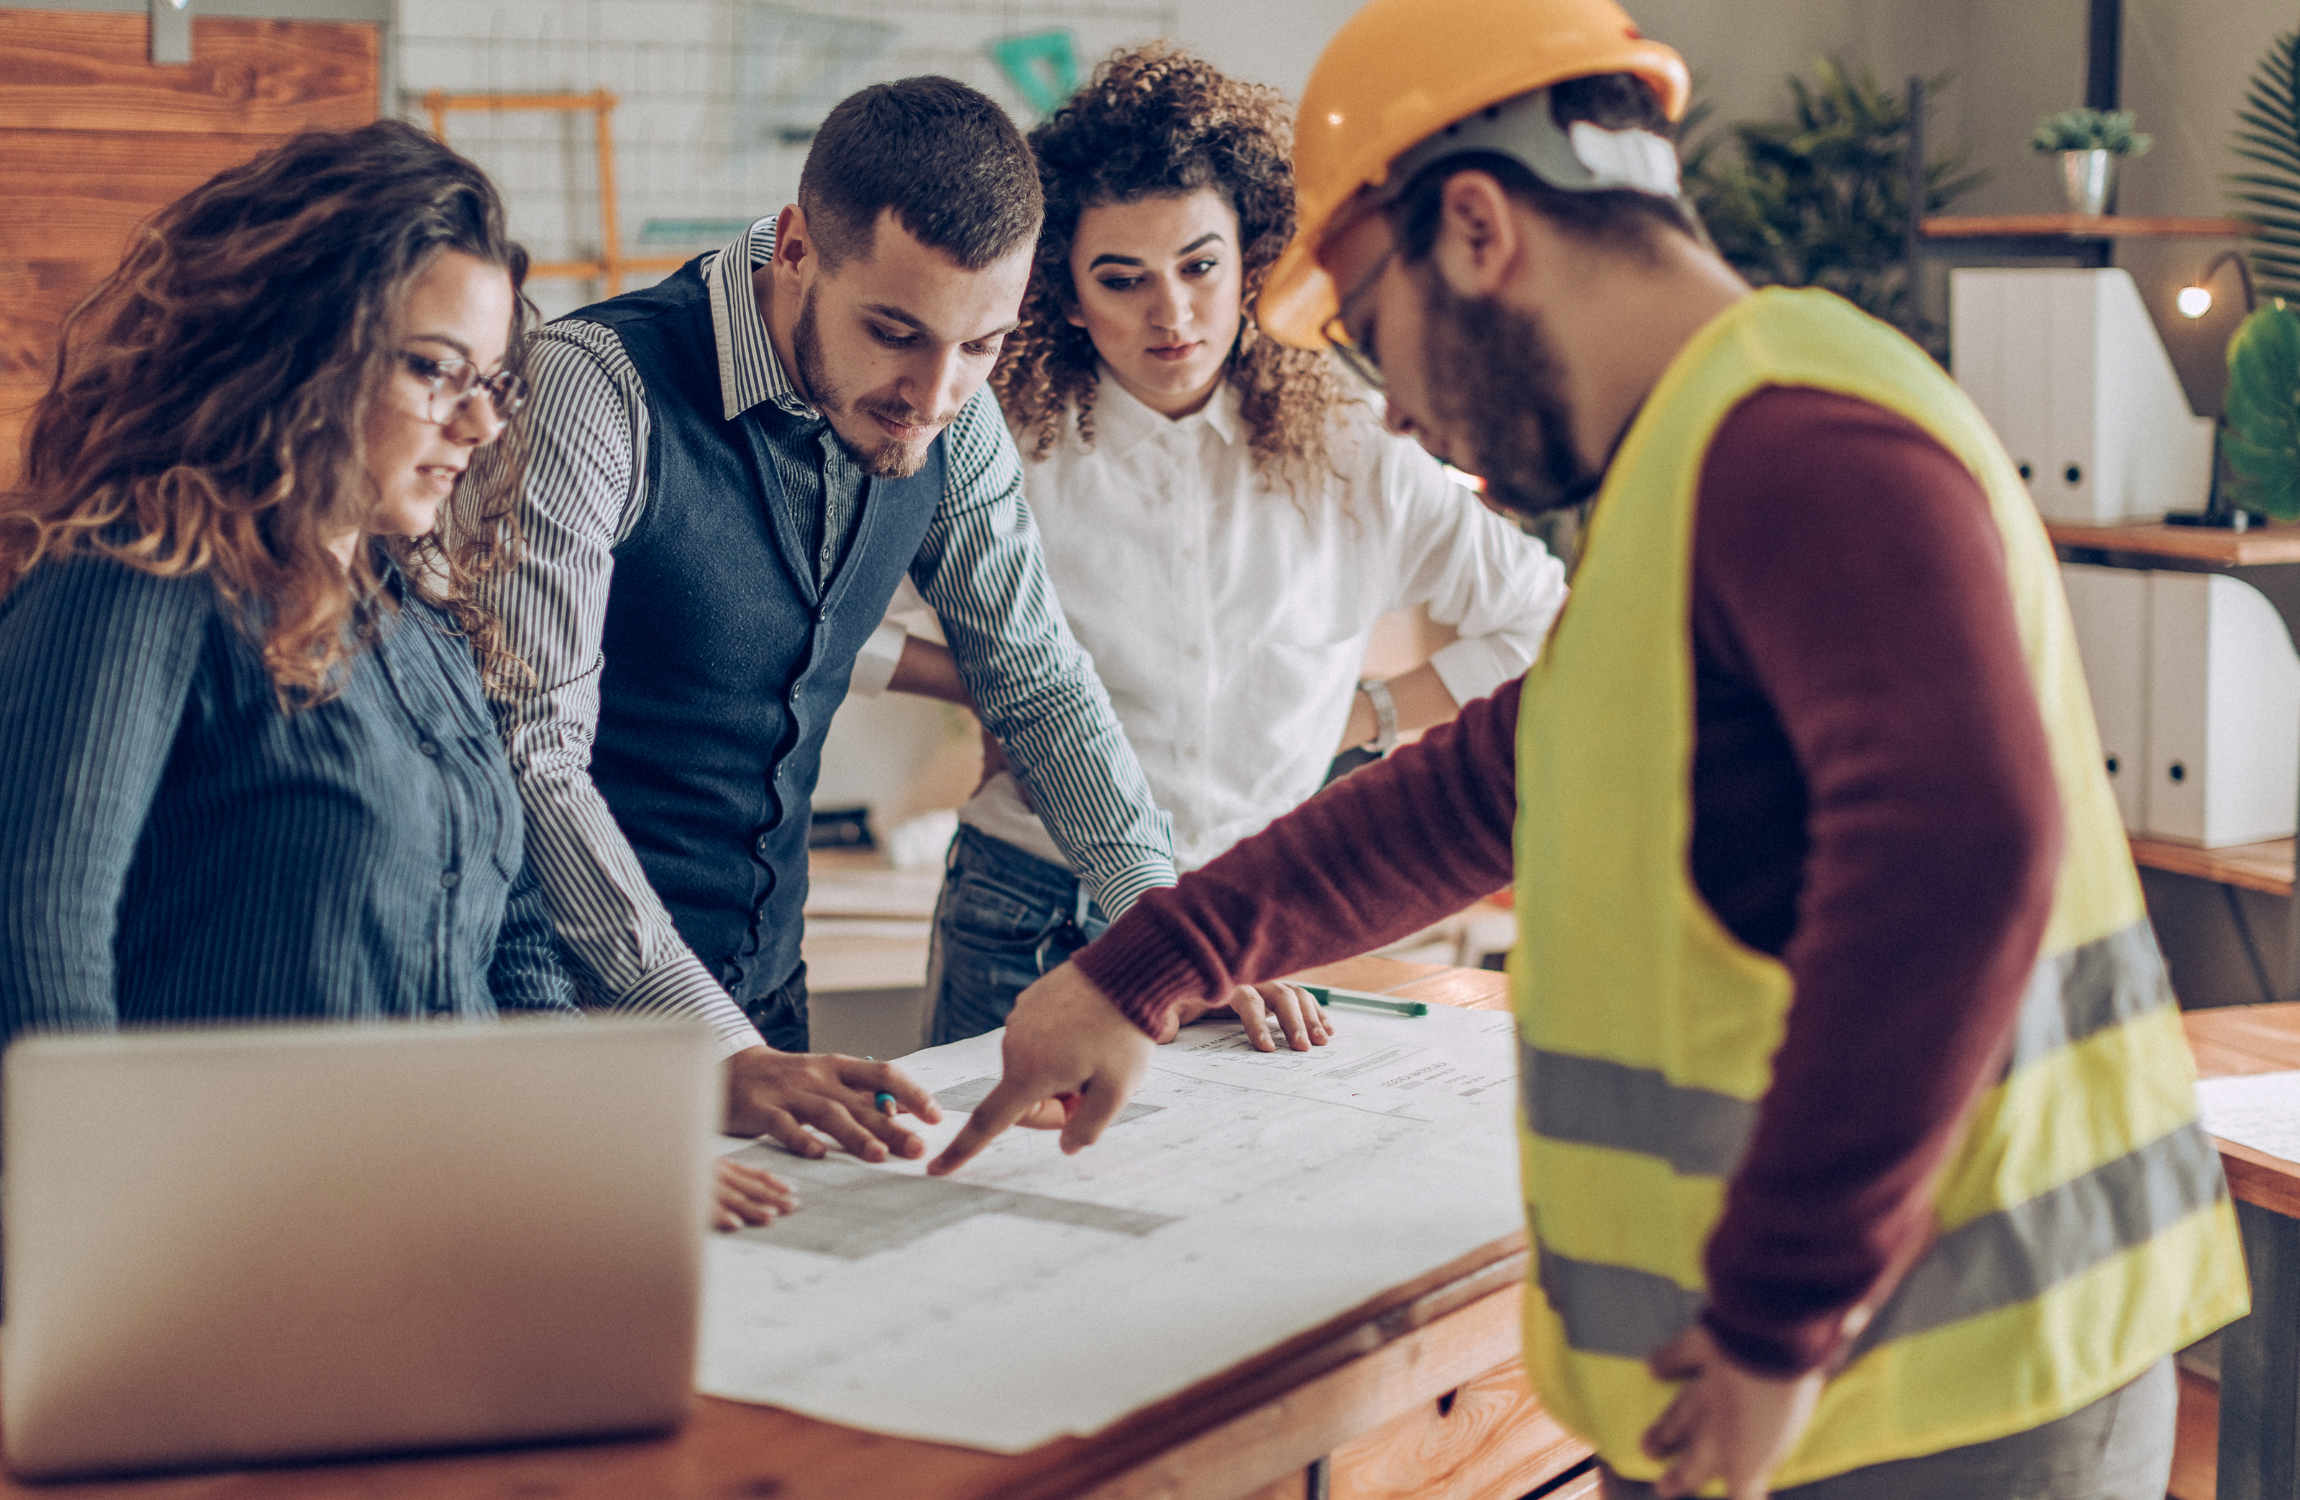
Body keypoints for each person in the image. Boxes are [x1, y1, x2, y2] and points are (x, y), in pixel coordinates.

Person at [927, 1, 2250, 1496]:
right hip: (1813, 1384)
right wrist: (1149, 962)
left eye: (1371, 327)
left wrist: (1774, 1324)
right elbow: (1489, 786)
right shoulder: (1697, 462)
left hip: (1939, 1386)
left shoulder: (1806, 444)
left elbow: (1961, 857)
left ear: (1478, 229)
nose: (1400, 406)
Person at [0, 121, 789, 1233]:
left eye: (497, 383)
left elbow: (515, 939)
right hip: (214, 1245)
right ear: (300, 352)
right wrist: (105, 1242)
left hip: (417, 1230)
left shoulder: (413, 616)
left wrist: (600, 1140)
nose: (479, 424)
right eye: (434, 370)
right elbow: (36, 947)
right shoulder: (137, 581)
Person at [473, 75, 1179, 1166]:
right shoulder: (593, 393)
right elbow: (533, 758)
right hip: (569, 1024)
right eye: (893, 331)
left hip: (766, 1014)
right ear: (795, 248)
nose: (934, 393)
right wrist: (709, 1040)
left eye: (981, 345)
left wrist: (1167, 931)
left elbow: (1035, 680)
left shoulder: (951, 410)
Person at [899, 44, 1567, 1050]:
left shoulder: (1353, 454)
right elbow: (833, 623)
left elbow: (1545, 618)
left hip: (1253, 922)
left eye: (1199, 268)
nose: (1170, 314)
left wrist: (1367, 712)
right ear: (1065, 296)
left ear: (1251, 266)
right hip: (1027, 915)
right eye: (1120, 280)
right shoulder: (1001, 452)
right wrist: (991, 685)